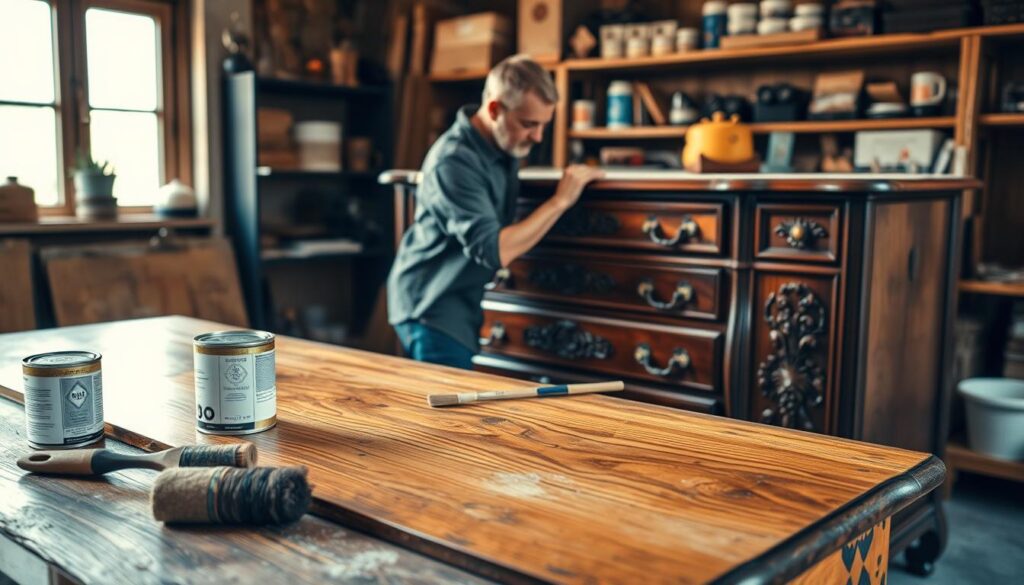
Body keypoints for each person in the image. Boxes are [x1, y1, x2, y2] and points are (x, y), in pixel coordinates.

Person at [387, 55, 604, 369]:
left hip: (460, 299)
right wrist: (559, 202)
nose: (538, 137)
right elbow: (494, 250)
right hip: (431, 305)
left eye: (544, 125)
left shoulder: (500, 144)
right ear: (493, 109)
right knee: (448, 415)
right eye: (529, 124)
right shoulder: (454, 161)